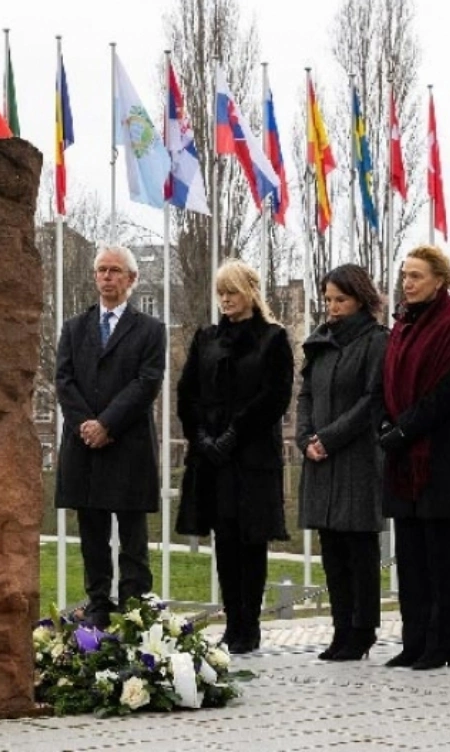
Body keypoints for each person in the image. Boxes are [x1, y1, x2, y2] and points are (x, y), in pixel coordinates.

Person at [176, 259, 294, 654]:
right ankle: (232, 622)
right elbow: (187, 393)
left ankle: (250, 624)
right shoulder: (206, 338)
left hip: (253, 455)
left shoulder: (273, 339)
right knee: (224, 540)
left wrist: (234, 433)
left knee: (251, 539)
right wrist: (203, 437)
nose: (225, 300)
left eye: (232, 292)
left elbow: (274, 397)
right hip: (212, 457)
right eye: (221, 293)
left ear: (250, 293)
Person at [55, 246, 167, 629]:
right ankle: (98, 602)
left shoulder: (151, 330)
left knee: (133, 534)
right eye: (101, 270)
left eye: (115, 271)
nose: (106, 277)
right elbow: (64, 380)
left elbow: (147, 382)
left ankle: (136, 606)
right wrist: (87, 424)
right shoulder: (74, 328)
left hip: (128, 446)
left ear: (131, 279)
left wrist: (108, 424)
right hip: (84, 446)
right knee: (92, 532)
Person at [377, 246, 450, 671]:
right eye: (405, 275)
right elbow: (387, 380)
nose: (408, 283)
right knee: (410, 554)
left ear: (440, 280)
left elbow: (444, 392)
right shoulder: (402, 324)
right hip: (402, 454)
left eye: (417, 276)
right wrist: (387, 425)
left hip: (434, 453)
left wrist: (404, 429)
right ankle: (414, 639)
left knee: (439, 552)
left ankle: (443, 642)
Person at [296, 264, 389, 662]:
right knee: (331, 548)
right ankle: (340, 629)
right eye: (329, 299)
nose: (333, 307)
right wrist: (305, 439)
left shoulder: (376, 341)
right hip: (319, 459)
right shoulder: (320, 342)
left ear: (361, 299)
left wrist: (329, 438)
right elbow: (305, 397)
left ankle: (362, 630)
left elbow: (372, 400)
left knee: (359, 549)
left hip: (356, 458)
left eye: (341, 300)